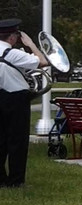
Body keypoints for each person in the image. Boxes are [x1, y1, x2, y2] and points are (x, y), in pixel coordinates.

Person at [0, 19, 48, 188]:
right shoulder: (14, 54)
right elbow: (42, 62)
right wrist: (31, 44)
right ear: (12, 37)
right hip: (16, 99)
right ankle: (16, 180)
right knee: (17, 141)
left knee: (1, 140)